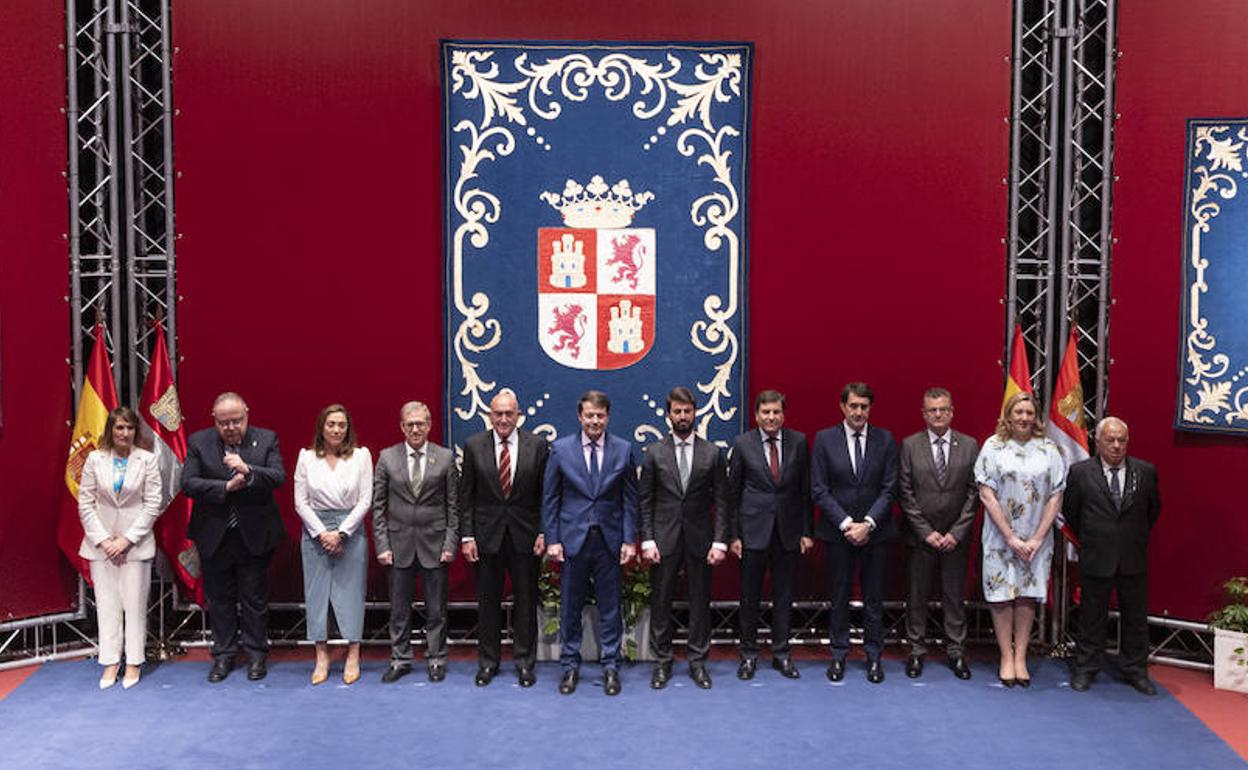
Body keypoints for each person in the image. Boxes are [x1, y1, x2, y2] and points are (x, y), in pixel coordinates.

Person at [183, 392, 287, 683]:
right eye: (224, 422)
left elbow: (278, 476)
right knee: (220, 599)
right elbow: (188, 483)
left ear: (247, 415)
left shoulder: (266, 439)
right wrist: (226, 487)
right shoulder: (198, 443)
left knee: (254, 599)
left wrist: (249, 471)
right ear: (214, 420)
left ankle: (256, 655)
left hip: (254, 534)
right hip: (214, 535)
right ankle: (224, 655)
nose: (230, 427)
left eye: (236, 421)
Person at [542, 390, 638, 696]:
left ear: (607, 417)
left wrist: (628, 539)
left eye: (600, 416)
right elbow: (551, 499)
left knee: (611, 608)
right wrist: (553, 539)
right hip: (572, 540)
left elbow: (629, 500)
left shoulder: (623, 450)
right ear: (579, 416)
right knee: (570, 608)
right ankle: (570, 666)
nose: (594, 421)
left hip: (609, 540)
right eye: (589, 415)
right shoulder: (560, 449)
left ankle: (611, 666)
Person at [639, 387, 729, 690]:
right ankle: (662, 662)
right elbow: (645, 501)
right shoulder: (654, 453)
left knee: (700, 603)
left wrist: (720, 541)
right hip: (663, 540)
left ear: (695, 412)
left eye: (687, 411)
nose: (682, 416)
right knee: (661, 601)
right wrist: (647, 540)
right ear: (669, 415)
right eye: (676, 411)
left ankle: (698, 662)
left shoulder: (713, 453)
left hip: (701, 540)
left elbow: (723, 501)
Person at [459, 388, 549, 688]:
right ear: (489, 415)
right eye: (498, 413)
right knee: (488, 604)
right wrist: (467, 536)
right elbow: (466, 496)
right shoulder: (474, 446)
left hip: (525, 537)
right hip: (486, 537)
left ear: (519, 415)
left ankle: (525, 663)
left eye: (509, 413)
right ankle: (488, 663)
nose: (503, 419)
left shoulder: (537, 446)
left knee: (526, 602)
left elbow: (545, 495)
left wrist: (543, 531)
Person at [974, 391, 1065, 688]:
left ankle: (1021, 656)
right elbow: (986, 494)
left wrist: (1037, 538)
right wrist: (1010, 537)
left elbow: (1055, 496)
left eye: (1029, 412)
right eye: (1018, 412)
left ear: (1035, 416)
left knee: (1026, 594)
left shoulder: (1049, 449)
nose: (1024, 418)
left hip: (1036, 540)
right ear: (1008, 415)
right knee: (1001, 596)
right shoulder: (993, 446)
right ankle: (1005, 656)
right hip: (1001, 538)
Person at [1065, 417, 1161, 695]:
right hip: (1096, 554)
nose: (1117, 446)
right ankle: (1085, 668)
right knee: (1091, 616)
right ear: (1098, 441)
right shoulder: (1080, 473)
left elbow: (1153, 511)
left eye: (1122, 440)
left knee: (1135, 617)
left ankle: (1135, 669)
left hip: (1133, 555)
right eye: (1110, 440)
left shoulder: (1145, 472)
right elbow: (1072, 513)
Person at [811, 382, 898, 684]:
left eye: (864, 406)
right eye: (853, 406)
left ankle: (874, 656)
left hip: (876, 533)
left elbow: (890, 489)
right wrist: (847, 523)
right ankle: (838, 655)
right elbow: (819, 489)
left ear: (870, 408)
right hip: (839, 534)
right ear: (842, 407)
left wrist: (868, 523)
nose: (859, 411)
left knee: (874, 598)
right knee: (839, 596)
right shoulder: (824, 439)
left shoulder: (885, 440)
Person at [372, 401, 458, 683]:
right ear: (402, 427)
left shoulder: (445, 458)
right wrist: (382, 545)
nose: (416, 429)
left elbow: (452, 506)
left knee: (436, 609)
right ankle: (400, 659)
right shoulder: (386, 458)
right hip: (398, 546)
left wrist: (450, 543)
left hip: (435, 544)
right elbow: (378, 507)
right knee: (399, 610)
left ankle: (436, 659)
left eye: (420, 423)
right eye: (410, 424)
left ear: (430, 425)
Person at [728, 390, 811, 681]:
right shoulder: (743, 444)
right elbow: (733, 492)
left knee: (784, 596)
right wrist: (734, 535)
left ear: (783, 415)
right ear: (756, 415)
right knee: (749, 597)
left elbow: (805, 491)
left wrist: (806, 531)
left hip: (788, 532)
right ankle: (748, 655)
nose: (771, 417)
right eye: (766, 412)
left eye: (776, 412)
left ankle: (781, 654)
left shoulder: (799, 442)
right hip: (752, 533)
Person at [77, 407, 163, 689]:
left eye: (129, 428)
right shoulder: (94, 459)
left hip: (134, 546)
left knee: (135, 605)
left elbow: (153, 504)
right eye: (119, 428)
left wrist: (126, 540)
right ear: (110, 431)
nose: (124, 433)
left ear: (136, 431)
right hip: (100, 546)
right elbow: (85, 502)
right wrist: (103, 540)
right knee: (106, 604)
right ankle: (111, 661)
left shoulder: (147, 460)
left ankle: (135, 661)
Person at [898, 387, 979, 680]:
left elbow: (974, 493)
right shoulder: (910, 445)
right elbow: (905, 493)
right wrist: (926, 532)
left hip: (956, 538)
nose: (938, 414)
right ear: (923, 414)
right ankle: (916, 652)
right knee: (917, 596)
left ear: (952, 411)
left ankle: (956, 652)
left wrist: (957, 532)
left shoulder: (970, 446)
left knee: (954, 597)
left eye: (944, 409)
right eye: (933, 410)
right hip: (921, 538)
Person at [293, 404, 372, 685]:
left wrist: (341, 533)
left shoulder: (361, 457)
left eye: (341, 425)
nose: (337, 429)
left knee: (352, 593)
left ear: (348, 428)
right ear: (322, 428)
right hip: (315, 533)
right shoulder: (306, 458)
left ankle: (353, 653)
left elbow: (365, 500)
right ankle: (321, 656)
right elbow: (300, 502)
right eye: (331, 424)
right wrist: (322, 533)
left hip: (350, 531)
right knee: (316, 596)